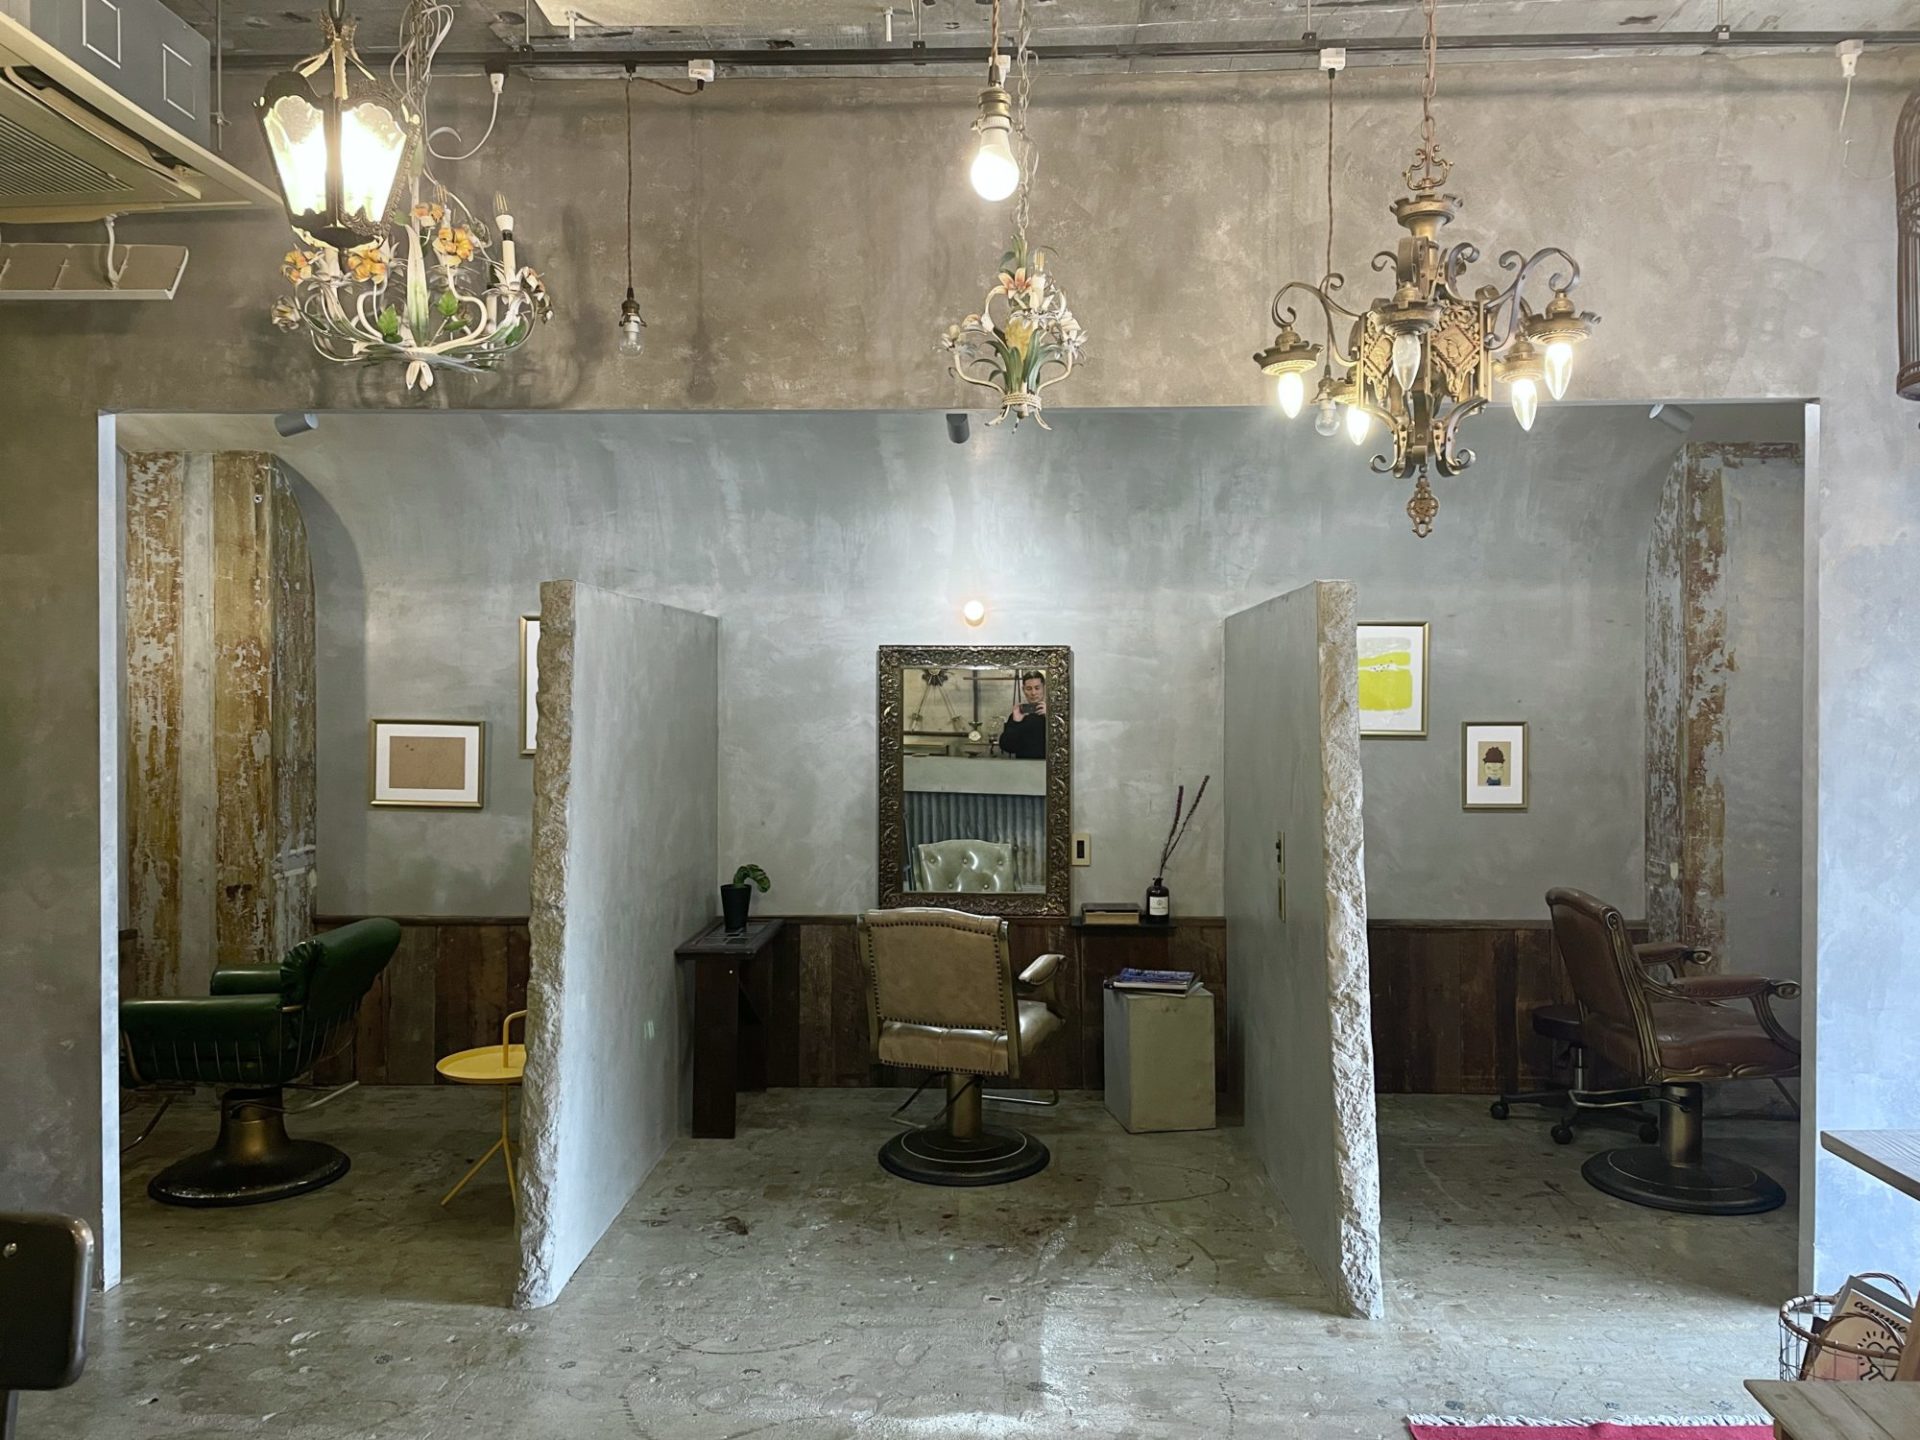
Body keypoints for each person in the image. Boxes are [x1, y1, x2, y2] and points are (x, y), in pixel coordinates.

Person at [998, 672, 1048, 759]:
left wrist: (1051, 717)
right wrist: (1016, 722)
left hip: (1050, 765)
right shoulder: (1018, 714)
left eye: (1037, 688)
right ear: (1023, 690)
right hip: (1023, 765)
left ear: (1044, 688)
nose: (1033, 693)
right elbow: (1007, 747)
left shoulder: (1057, 714)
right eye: (1029, 688)